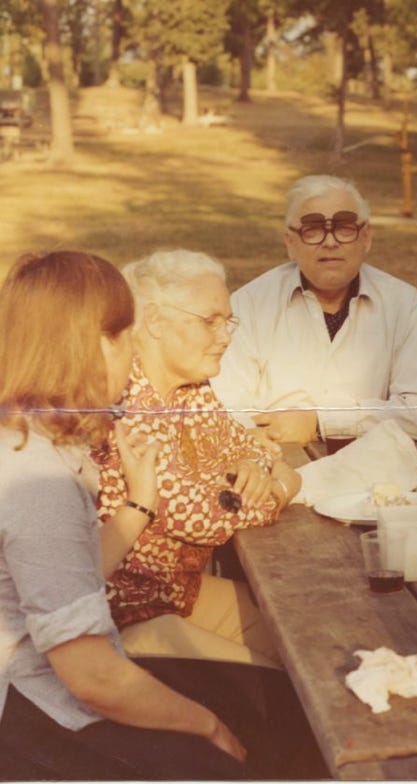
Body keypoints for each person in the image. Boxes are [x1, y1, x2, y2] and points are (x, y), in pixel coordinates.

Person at [0, 251, 249, 778]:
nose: (132, 352)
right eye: (125, 336)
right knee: (254, 737)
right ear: (95, 345)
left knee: (263, 708)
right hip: (37, 717)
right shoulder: (35, 477)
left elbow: (73, 579)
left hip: (52, 693)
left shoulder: (29, 438)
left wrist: (139, 502)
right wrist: (206, 725)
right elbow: (92, 676)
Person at [92, 249, 301, 669]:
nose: (225, 337)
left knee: (301, 631)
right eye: (210, 321)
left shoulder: (190, 389)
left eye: (228, 321)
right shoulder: (126, 399)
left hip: (175, 592)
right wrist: (281, 486)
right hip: (121, 616)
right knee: (283, 681)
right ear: (154, 322)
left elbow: (247, 444)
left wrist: (254, 466)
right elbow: (201, 515)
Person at [211, 174, 417, 447]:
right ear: (291, 243)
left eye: (344, 227)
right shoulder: (248, 305)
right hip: (277, 465)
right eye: (312, 230)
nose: (330, 242)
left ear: (366, 238)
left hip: (376, 474)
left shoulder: (404, 304)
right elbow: (225, 407)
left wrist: (321, 420)